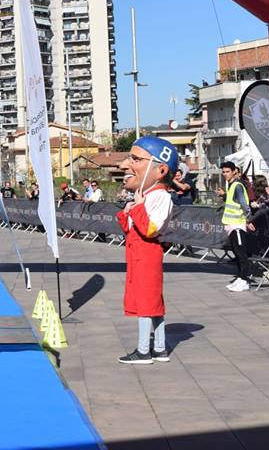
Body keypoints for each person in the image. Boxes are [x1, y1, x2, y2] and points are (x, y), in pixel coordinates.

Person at [115, 136, 177, 365]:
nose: (127, 165)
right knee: (150, 300)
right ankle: (159, 348)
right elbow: (132, 229)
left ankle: (143, 350)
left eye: (136, 159)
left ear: (161, 170)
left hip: (147, 254)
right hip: (138, 254)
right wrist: (127, 212)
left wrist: (138, 208)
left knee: (146, 301)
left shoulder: (161, 196)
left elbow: (150, 229)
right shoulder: (146, 196)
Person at [218, 161, 254, 292]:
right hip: (231, 225)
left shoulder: (237, 185)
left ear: (234, 172)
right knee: (237, 253)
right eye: (223, 172)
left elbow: (245, 205)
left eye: (227, 171)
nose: (225, 174)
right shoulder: (232, 185)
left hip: (237, 225)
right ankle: (240, 277)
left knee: (241, 253)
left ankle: (244, 280)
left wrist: (249, 220)